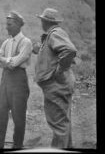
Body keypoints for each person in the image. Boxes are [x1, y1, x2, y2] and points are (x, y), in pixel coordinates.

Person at [33, 8, 77, 148]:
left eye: (42, 20)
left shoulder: (55, 33)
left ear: (45, 21)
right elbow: (53, 54)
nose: (41, 22)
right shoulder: (52, 35)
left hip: (56, 85)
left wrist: (58, 71)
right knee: (63, 122)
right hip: (60, 84)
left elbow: (69, 50)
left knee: (58, 124)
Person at [0, 11, 33, 149]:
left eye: (9, 24)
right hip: (5, 81)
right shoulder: (6, 42)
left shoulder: (26, 42)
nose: (6, 27)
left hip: (19, 82)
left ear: (17, 24)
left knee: (18, 117)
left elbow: (14, 64)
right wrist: (6, 61)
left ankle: (17, 146)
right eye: (6, 24)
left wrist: (4, 60)